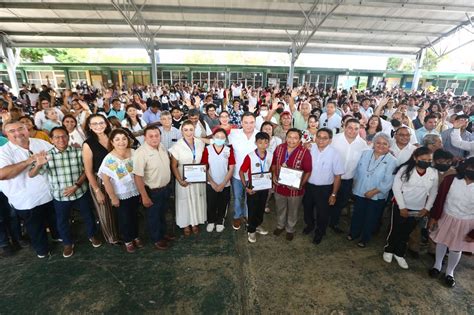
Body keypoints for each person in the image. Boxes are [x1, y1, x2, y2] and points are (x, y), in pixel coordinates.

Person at [28, 126, 102, 258]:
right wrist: (38, 164)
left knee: (88, 215)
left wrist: (76, 186)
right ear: (51, 139)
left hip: (80, 192)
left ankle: (92, 235)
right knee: (62, 221)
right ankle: (68, 243)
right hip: (60, 196)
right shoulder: (47, 156)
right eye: (57, 137)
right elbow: (31, 174)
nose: (61, 139)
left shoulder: (78, 152)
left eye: (64, 136)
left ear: (68, 137)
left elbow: (86, 170)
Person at [0, 121, 59, 258]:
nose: (18, 133)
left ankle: (58, 236)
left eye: (21, 129)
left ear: (27, 129)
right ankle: (42, 251)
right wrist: (29, 161)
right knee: (36, 228)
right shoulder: (3, 152)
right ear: (5, 134)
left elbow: (56, 154)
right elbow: (2, 174)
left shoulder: (39, 143)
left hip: (49, 193)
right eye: (12, 131)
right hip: (27, 200)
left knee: (54, 219)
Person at [383, 147, 438, 269]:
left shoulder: (433, 173)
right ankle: (389, 249)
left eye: (429, 160)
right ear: (415, 158)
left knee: (406, 232)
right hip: (400, 205)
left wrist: (427, 208)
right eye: (423, 159)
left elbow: (434, 192)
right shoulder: (405, 169)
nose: (427, 162)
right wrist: (402, 207)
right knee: (395, 229)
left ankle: (399, 253)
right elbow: (396, 188)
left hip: (418, 208)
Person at [428, 157, 474, 288]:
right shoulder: (451, 180)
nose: (471, 171)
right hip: (447, 216)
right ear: (464, 167)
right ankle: (437, 265)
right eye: (470, 168)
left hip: (466, 222)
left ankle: (450, 272)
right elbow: (440, 199)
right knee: (442, 242)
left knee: (456, 248)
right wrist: (434, 217)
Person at [347, 133, 398, 247]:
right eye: (378, 143)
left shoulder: (392, 161)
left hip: (377, 195)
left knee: (371, 217)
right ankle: (354, 233)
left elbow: (388, 181)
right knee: (357, 214)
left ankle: (365, 238)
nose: (381, 145)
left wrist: (374, 192)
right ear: (373, 144)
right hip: (360, 190)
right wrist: (354, 184)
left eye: (385, 144)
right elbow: (357, 171)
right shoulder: (365, 154)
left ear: (389, 146)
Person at [99, 128, 142, 253]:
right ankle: (128, 240)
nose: (121, 142)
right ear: (112, 142)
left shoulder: (134, 152)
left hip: (135, 190)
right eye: (117, 139)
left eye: (124, 139)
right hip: (120, 193)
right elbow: (105, 180)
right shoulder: (109, 158)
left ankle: (135, 236)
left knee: (134, 215)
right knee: (124, 218)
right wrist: (113, 197)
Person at [133, 126, 174, 250]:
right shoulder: (141, 153)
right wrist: (144, 196)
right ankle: (157, 238)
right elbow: (138, 177)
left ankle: (163, 233)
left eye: (157, 135)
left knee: (162, 213)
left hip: (165, 188)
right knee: (153, 216)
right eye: (151, 136)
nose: (154, 138)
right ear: (144, 137)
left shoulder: (161, 146)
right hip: (152, 191)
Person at [83, 114, 120, 244]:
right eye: (94, 124)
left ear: (106, 123)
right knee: (106, 211)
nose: (98, 126)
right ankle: (112, 238)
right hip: (100, 180)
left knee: (119, 207)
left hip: (118, 177)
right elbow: (88, 170)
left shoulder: (113, 137)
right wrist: (97, 190)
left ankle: (124, 233)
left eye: (101, 123)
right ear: (89, 126)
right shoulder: (88, 144)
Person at [303, 128, 344, 244]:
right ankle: (310, 225)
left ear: (330, 140)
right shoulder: (310, 148)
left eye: (324, 138)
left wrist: (334, 194)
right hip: (309, 186)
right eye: (319, 137)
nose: (321, 140)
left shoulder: (335, 154)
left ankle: (320, 232)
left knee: (323, 213)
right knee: (307, 208)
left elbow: (337, 176)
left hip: (325, 189)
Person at [271, 128, 312, 241]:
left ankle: (290, 229)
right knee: (280, 208)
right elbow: (274, 163)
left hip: (295, 190)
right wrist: (274, 175)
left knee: (293, 210)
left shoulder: (304, 152)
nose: (292, 140)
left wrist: (301, 185)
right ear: (286, 137)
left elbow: (308, 171)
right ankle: (280, 225)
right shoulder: (279, 148)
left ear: (299, 140)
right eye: (289, 137)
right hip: (279, 187)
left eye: (295, 138)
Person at [329, 118, 369, 233]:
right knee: (328, 200)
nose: (353, 131)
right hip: (331, 178)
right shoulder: (335, 139)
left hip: (348, 180)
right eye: (350, 127)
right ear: (345, 127)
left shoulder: (362, 144)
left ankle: (334, 222)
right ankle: (324, 219)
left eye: (356, 128)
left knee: (341, 202)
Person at [169, 120, 206, 235]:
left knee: (196, 198)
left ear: (194, 130)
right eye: (186, 130)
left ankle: (195, 222)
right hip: (183, 176)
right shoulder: (177, 146)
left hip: (197, 176)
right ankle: (185, 223)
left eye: (191, 129)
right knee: (184, 200)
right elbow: (173, 165)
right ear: (181, 131)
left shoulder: (200, 143)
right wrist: (179, 180)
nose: (189, 132)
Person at [239, 132, 272, 243]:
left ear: (268, 143)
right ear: (256, 143)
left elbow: (271, 169)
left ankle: (257, 225)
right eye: (260, 142)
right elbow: (241, 171)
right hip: (253, 188)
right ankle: (251, 230)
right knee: (252, 210)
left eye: (266, 142)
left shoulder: (270, 155)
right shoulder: (250, 156)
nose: (263, 145)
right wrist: (246, 187)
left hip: (265, 187)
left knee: (261, 208)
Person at [201, 128, 235, 233]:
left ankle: (220, 221)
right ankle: (211, 221)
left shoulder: (229, 150)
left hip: (225, 183)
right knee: (211, 203)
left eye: (222, 137)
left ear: (225, 139)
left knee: (223, 203)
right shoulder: (208, 149)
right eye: (217, 137)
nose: (219, 139)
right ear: (213, 137)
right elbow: (204, 167)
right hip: (211, 182)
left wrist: (223, 184)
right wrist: (212, 182)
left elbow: (231, 168)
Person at [228, 112, 258, 230]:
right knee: (237, 197)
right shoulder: (234, 134)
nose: (249, 125)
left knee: (249, 197)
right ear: (241, 123)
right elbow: (221, 142)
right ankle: (237, 216)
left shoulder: (259, 135)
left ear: (255, 123)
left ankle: (247, 215)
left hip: (253, 174)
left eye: (251, 122)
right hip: (237, 174)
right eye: (246, 122)